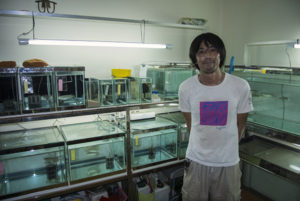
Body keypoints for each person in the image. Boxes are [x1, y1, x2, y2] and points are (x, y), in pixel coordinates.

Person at [179, 32, 253, 201]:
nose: (207, 56)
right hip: (196, 161)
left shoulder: (240, 86)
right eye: (201, 52)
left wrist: (226, 150)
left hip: (228, 163)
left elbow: (241, 125)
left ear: (220, 54)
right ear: (195, 58)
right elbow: (191, 124)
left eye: (212, 50)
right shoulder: (186, 88)